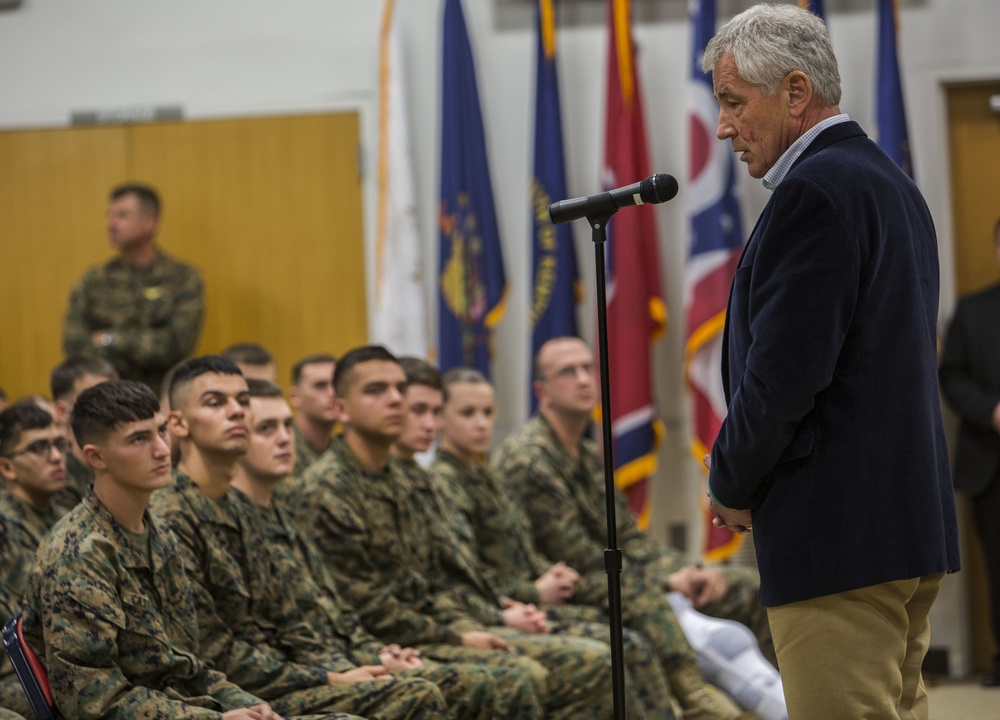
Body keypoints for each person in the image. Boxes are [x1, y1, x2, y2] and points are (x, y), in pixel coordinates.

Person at [698, 5, 960, 719]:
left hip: (839, 534)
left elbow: (782, 380)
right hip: (900, 525)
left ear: (793, 90)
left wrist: (728, 481)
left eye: (731, 102)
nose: (722, 128)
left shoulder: (816, 193)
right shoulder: (886, 182)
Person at [290, 345, 617, 720]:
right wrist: (461, 635)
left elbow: (435, 583)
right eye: (376, 391)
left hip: (436, 627)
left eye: (399, 388)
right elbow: (366, 608)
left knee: (599, 654)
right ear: (340, 409)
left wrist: (475, 623)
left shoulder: (405, 482)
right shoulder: (325, 491)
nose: (395, 399)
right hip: (384, 644)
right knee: (521, 677)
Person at [150, 355, 446, 719]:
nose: (237, 412)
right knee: (418, 695)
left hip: (290, 676)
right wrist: (331, 676)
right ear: (177, 424)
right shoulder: (169, 519)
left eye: (242, 402)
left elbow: (297, 620)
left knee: (422, 686)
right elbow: (211, 653)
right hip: (236, 699)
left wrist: (361, 662)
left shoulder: (245, 511)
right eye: (216, 403)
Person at [231, 377, 539, 720]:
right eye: (266, 428)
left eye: (287, 426)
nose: (285, 438)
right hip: (289, 682)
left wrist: (376, 654)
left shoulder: (280, 515)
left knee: (505, 677)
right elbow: (249, 644)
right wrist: (347, 668)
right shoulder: (316, 493)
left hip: (361, 650)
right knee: (481, 684)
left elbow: (336, 611)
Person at [17, 380, 312, 720]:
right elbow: (93, 702)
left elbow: (188, 666)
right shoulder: (78, 554)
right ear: (96, 457)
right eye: (139, 439)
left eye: (160, 432)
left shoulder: (157, 534)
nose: (160, 450)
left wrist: (249, 705)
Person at [493, 337, 773, 658]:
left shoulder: (585, 453)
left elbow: (627, 536)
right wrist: (668, 580)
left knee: (746, 586)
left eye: (588, 368)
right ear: (542, 391)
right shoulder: (529, 459)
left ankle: (784, 700)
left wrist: (688, 570)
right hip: (571, 589)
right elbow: (579, 556)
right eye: (567, 372)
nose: (583, 379)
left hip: (623, 578)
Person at [62, 183, 204, 394]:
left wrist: (110, 339)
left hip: (160, 398)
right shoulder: (94, 280)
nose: (111, 223)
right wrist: (143, 344)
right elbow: (75, 346)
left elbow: (177, 345)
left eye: (122, 215)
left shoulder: (182, 278)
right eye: (109, 215)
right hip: (105, 397)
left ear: (150, 221)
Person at [939, 218, 1000, 686]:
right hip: (991, 463)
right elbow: (952, 375)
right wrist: (991, 411)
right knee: (996, 566)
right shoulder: (973, 311)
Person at [0, 402, 69, 717]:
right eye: (39, 448)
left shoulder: (67, 517)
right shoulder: (4, 526)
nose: (56, 457)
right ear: (7, 468)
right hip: (13, 668)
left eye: (59, 444)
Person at [49, 355, 119, 512]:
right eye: (97, 399)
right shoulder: (57, 475)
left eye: (115, 396)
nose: (112, 407)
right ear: (62, 411)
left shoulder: (119, 464)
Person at [289, 353, 338, 477]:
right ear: (295, 396)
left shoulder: (345, 450)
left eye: (336, 385)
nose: (332, 393)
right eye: (320, 385)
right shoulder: (283, 449)